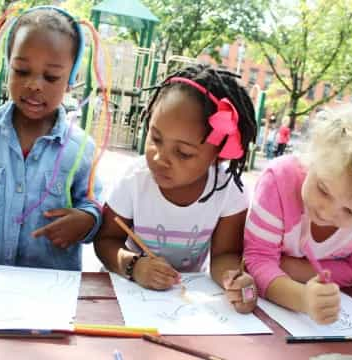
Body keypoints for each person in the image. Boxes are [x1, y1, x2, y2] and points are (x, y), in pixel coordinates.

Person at [0, 6, 102, 272]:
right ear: (8, 67)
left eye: (51, 76)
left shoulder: (81, 148)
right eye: (22, 70)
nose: (35, 85)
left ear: (71, 80)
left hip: (50, 292)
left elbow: (94, 201)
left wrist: (87, 219)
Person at [95, 64, 258, 313]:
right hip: (126, 297)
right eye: (155, 138)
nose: (160, 158)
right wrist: (133, 266)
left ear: (219, 155)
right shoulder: (134, 180)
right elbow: (106, 240)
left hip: (186, 303)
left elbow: (225, 254)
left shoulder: (229, 191)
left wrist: (234, 281)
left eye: (183, 153)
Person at [243, 101, 352, 324]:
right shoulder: (279, 182)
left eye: (350, 211)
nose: (327, 211)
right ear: (312, 158)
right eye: (323, 189)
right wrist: (302, 298)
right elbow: (256, 259)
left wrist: (289, 266)